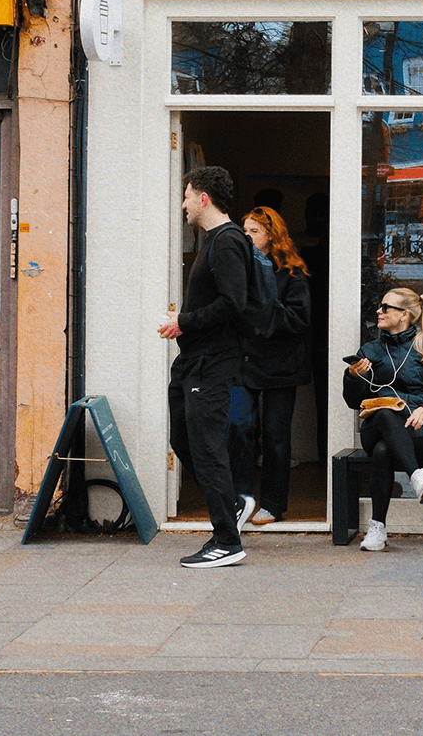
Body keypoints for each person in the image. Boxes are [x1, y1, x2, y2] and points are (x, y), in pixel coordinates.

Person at [159, 166, 263, 568]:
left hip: (214, 362)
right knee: (183, 440)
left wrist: (185, 321)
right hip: (194, 361)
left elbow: (233, 303)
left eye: (187, 195)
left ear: (204, 198)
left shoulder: (228, 242)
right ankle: (233, 503)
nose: (183, 203)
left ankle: (226, 541)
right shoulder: (215, 241)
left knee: (205, 446)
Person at [343, 288, 423, 551]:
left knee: (384, 451)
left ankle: (377, 529)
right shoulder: (370, 350)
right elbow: (352, 401)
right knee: (384, 410)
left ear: (404, 315)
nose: (378, 311)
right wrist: (353, 376)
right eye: (380, 307)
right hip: (374, 429)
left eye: (385, 307)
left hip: (416, 431)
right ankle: (417, 476)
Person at [231, 206, 312, 528]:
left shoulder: (293, 273)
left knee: (276, 438)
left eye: (254, 231)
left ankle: (273, 505)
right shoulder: (237, 269)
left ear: (271, 236)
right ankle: (239, 499)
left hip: (280, 365)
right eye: (245, 231)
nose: (247, 237)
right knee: (238, 427)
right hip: (243, 361)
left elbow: (298, 319)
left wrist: (263, 313)